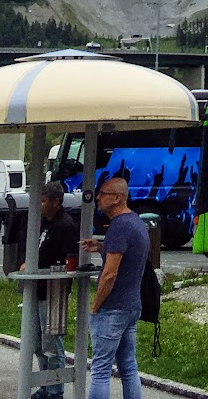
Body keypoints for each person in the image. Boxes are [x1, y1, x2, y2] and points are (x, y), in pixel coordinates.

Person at [82, 171, 150, 399]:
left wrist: (95, 306)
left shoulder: (119, 226)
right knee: (128, 366)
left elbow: (109, 274)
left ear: (117, 198)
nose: (98, 198)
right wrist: (101, 247)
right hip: (132, 305)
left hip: (112, 308)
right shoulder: (135, 222)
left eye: (103, 194)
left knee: (101, 369)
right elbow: (127, 254)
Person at [19, 181, 80, 399]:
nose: (41, 206)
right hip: (37, 289)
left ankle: (56, 389)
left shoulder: (65, 226)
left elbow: (69, 260)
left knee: (52, 344)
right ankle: (44, 385)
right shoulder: (43, 223)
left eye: (44, 201)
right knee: (37, 343)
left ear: (56, 201)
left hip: (53, 292)